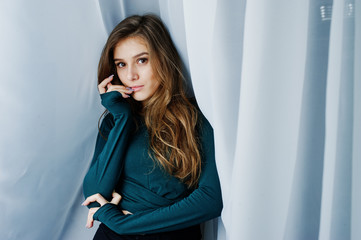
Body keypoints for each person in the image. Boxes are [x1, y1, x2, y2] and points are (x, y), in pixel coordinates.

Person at [82, 14, 222, 240]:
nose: (130, 75)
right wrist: (122, 119)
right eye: (121, 64)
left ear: (163, 59)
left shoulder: (195, 116)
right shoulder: (115, 120)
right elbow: (94, 193)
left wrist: (124, 224)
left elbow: (211, 201)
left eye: (142, 60)